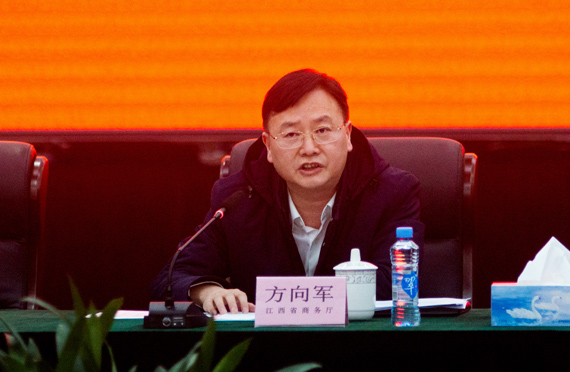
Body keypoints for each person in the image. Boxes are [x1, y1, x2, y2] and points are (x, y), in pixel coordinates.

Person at [150, 69, 424, 315]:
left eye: (322, 130)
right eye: (291, 135)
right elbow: (172, 278)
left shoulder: (392, 194)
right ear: (268, 146)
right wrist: (207, 292)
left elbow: (396, 286)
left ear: (347, 135)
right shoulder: (237, 199)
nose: (309, 148)